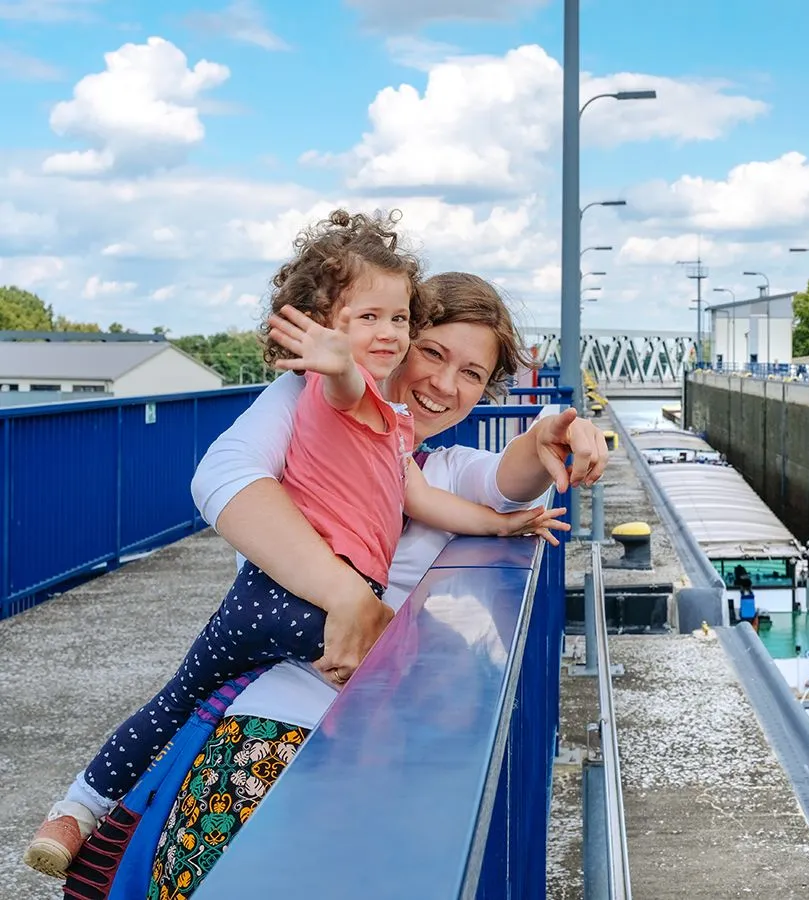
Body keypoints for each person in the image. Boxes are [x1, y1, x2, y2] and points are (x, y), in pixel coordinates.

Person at [28, 212, 568, 881]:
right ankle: (81, 809)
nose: (443, 383)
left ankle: (79, 808)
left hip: (351, 706)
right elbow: (226, 472)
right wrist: (350, 598)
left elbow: (498, 482)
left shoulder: (416, 454)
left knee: (186, 708)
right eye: (430, 351)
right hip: (288, 689)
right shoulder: (315, 395)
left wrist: (547, 440)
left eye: (471, 373)